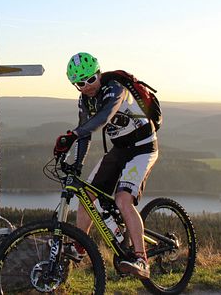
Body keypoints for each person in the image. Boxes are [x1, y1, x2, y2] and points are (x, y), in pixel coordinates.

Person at [53, 52, 159, 278]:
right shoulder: (84, 100)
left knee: (123, 199)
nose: (87, 86)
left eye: (91, 79)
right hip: (120, 149)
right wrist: (76, 164)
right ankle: (81, 246)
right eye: (80, 83)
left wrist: (73, 134)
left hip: (143, 147)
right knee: (86, 194)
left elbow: (103, 117)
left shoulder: (115, 87)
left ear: (99, 73)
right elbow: (85, 133)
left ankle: (141, 259)